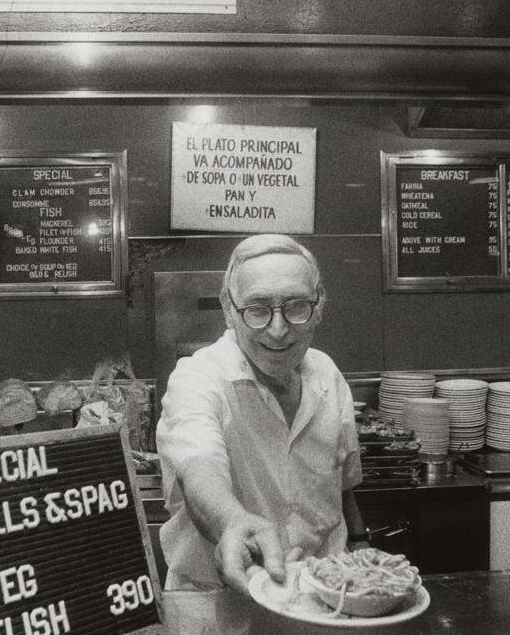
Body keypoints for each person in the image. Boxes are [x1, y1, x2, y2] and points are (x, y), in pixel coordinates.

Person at [155, 234, 367, 591]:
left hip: (323, 596)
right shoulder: (197, 378)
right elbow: (198, 467)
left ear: (319, 307)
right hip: (221, 603)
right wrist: (233, 523)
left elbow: (341, 485)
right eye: (258, 309)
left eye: (297, 306)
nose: (278, 329)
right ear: (228, 308)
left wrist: (360, 542)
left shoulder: (328, 374)